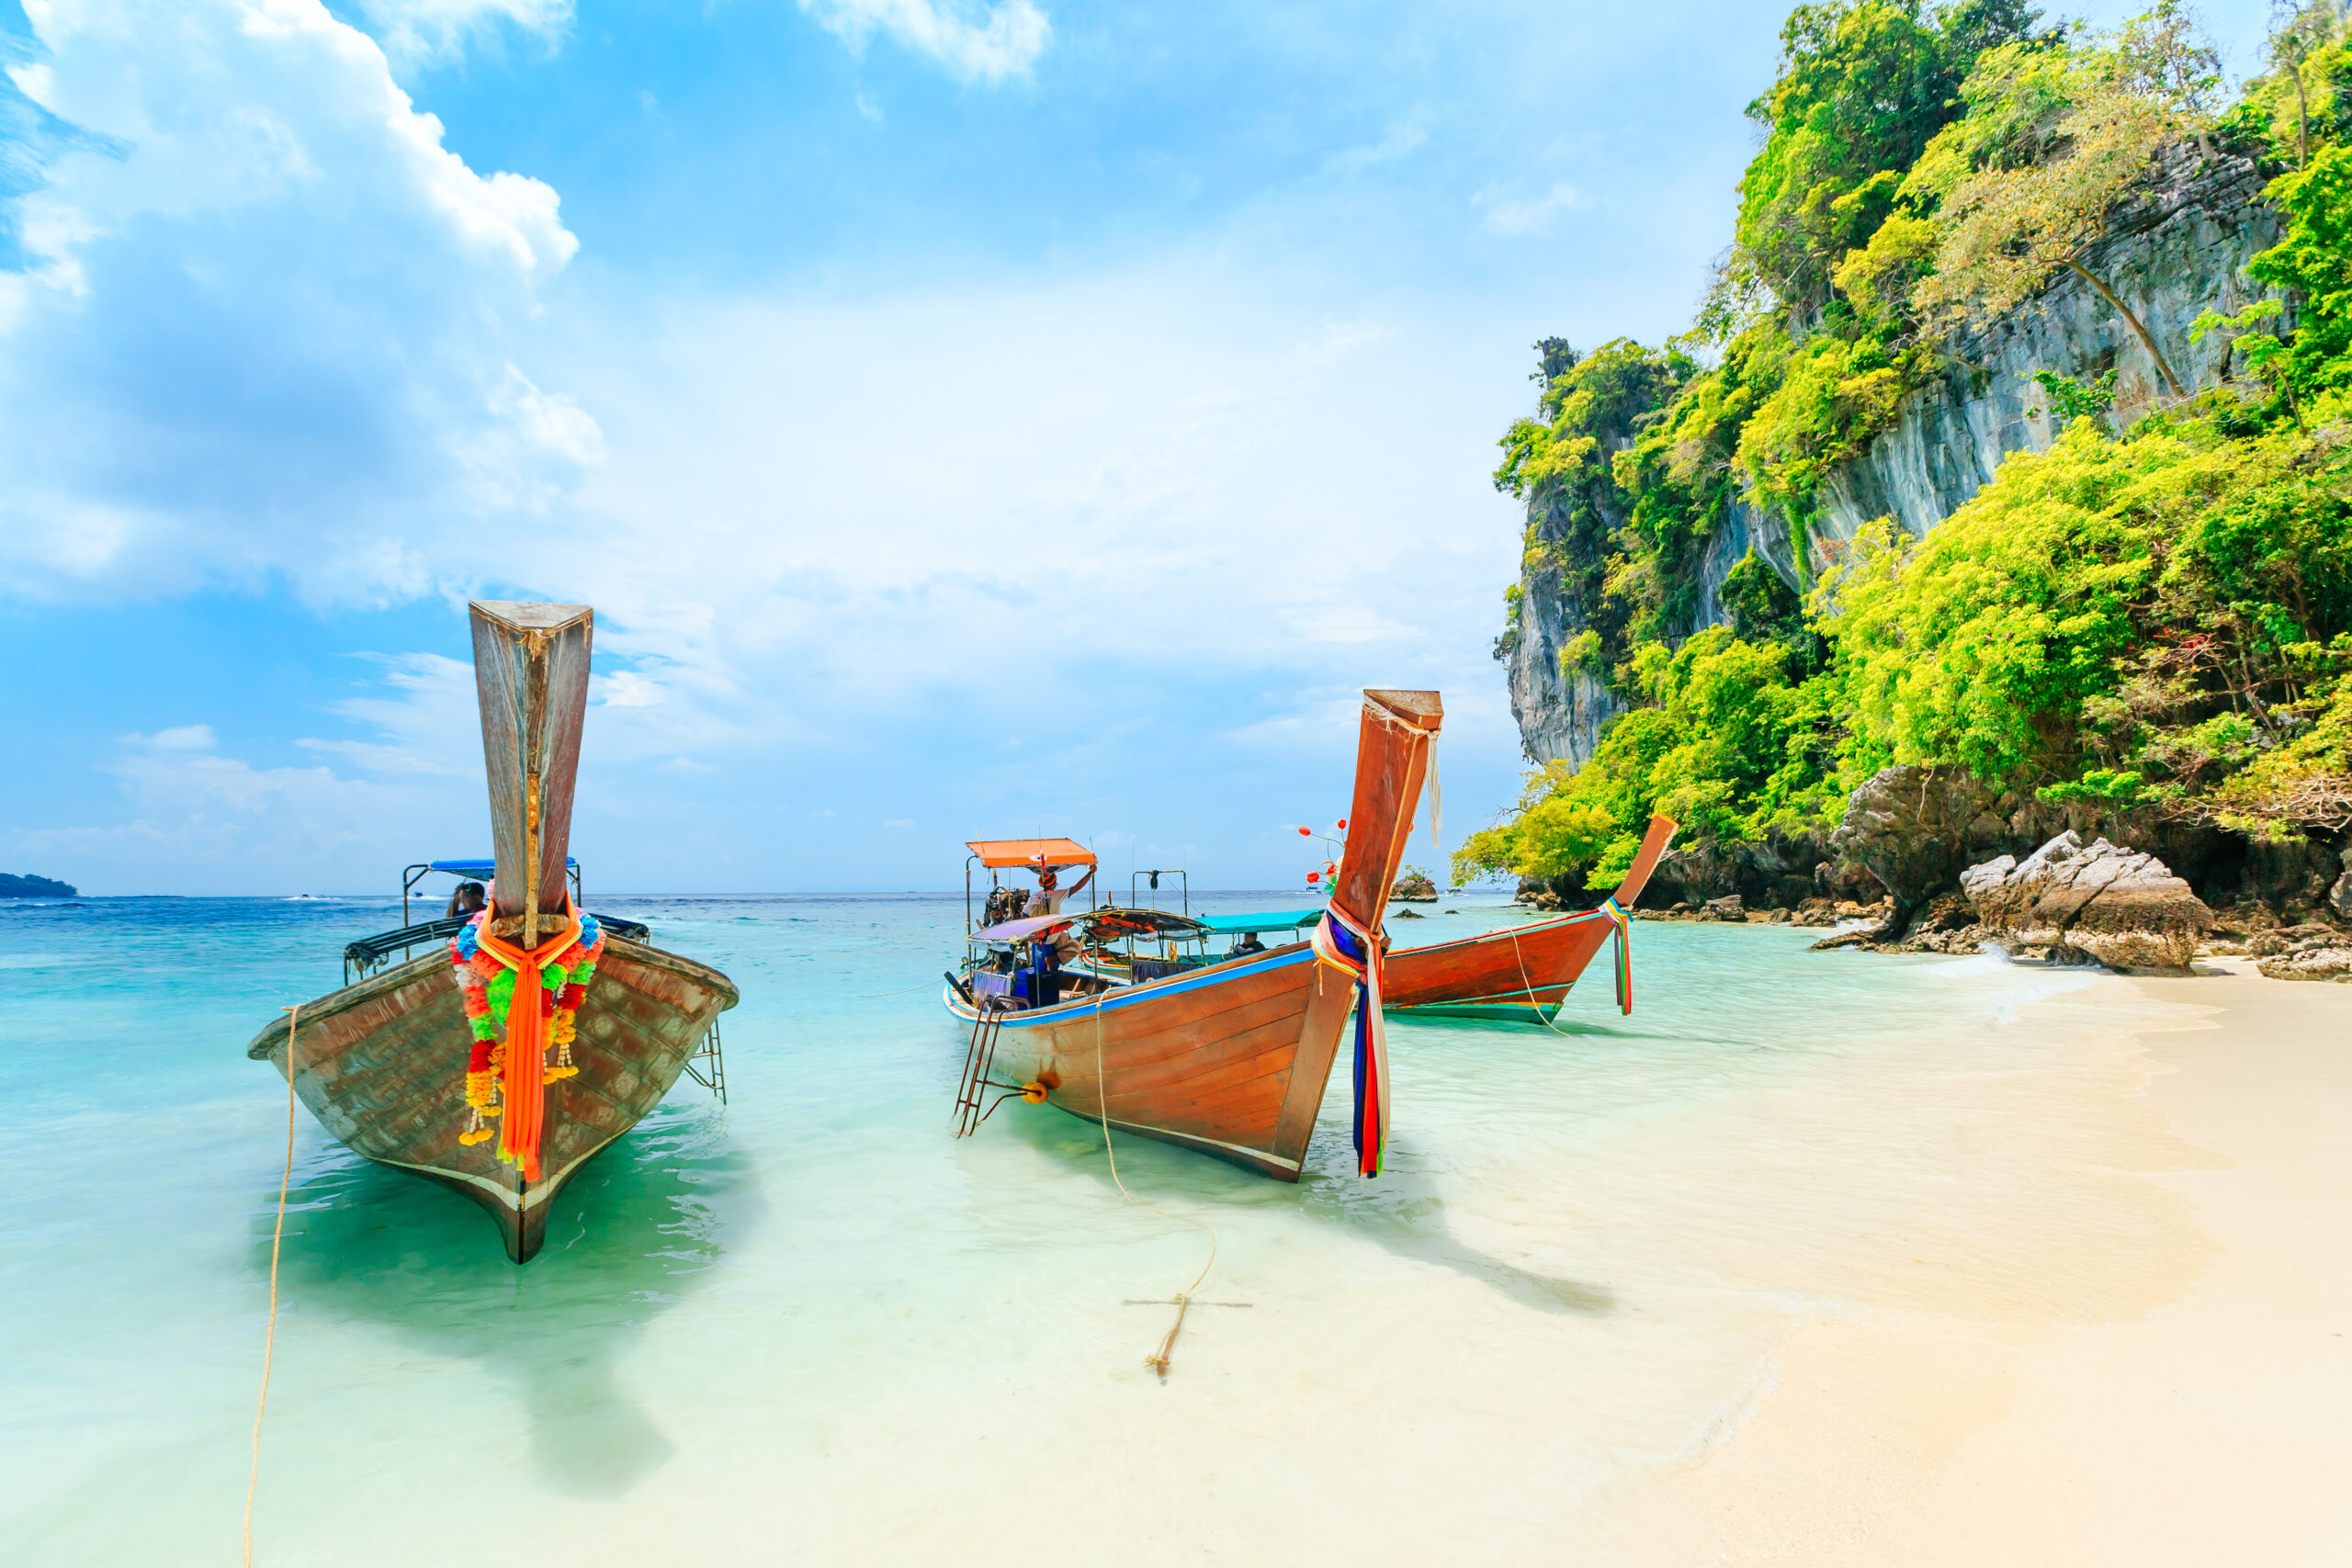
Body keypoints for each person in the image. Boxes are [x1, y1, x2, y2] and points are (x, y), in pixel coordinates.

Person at [1023, 863, 1095, 918]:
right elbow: (1077, 887)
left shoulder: (1033, 896)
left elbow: (1025, 914)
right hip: (1051, 933)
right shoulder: (1057, 895)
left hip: (1037, 932)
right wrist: (1090, 873)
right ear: (1054, 883)